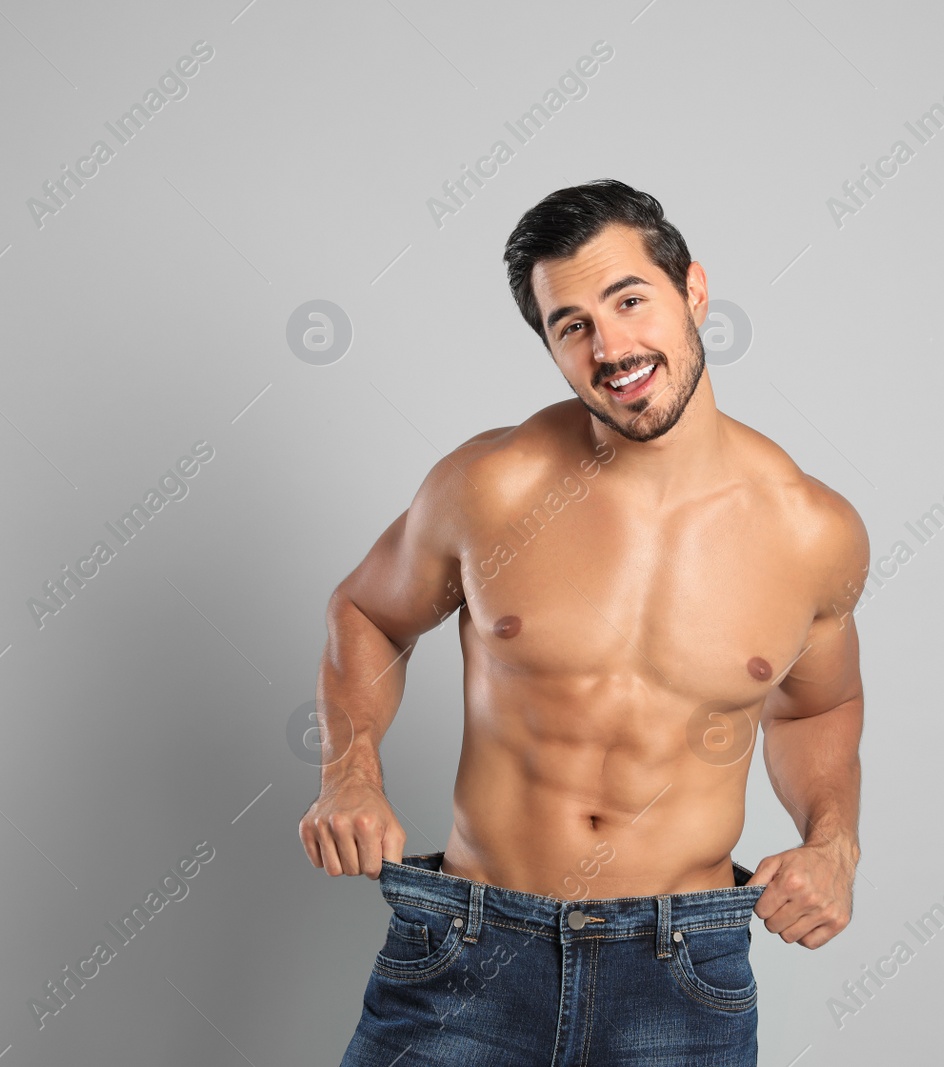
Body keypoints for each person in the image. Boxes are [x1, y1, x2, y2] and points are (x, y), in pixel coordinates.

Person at [302, 179, 869, 1065]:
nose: (611, 347)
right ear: (553, 349)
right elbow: (367, 611)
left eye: (629, 300)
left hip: (680, 972)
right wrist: (351, 770)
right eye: (572, 326)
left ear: (695, 292)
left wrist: (833, 842)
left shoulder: (810, 532)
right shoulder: (493, 486)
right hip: (469, 950)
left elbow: (817, 707)